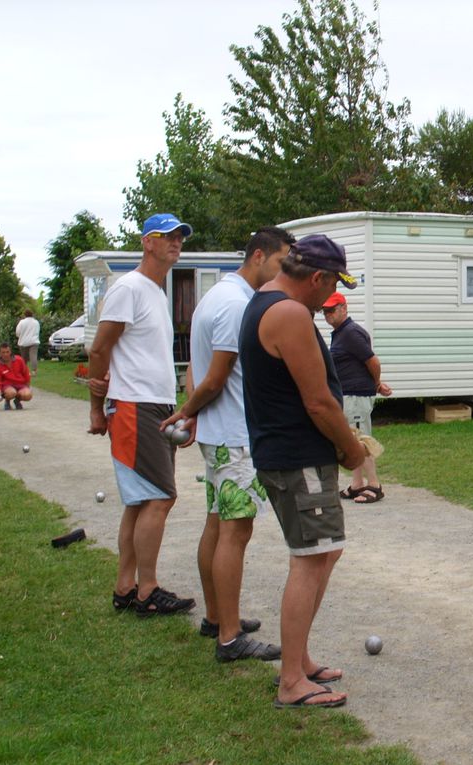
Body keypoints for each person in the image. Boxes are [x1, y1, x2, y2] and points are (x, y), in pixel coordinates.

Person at [240, 233, 366, 709]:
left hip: (286, 453)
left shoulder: (263, 301)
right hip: (297, 457)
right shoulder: (290, 313)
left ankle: (301, 659)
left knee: (323, 553)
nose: (330, 294)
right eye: (331, 283)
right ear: (317, 277)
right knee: (311, 558)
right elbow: (318, 402)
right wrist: (351, 450)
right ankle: (292, 681)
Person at [162, 227, 294, 662]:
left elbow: (196, 368)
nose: (283, 272)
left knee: (218, 525)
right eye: (280, 263)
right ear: (258, 256)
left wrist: (195, 411)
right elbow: (215, 379)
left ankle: (217, 617)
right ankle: (231, 638)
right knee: (236, 531)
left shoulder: (216, 296)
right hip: (235, 438)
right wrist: (189, 410)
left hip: (220, 436)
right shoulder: (238, 306)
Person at [87, 213, 197, 617]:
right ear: (147, 242)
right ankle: (148, 590)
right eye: (167, 236)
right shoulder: (128, 288)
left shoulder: (156, 291)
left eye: (179, 237)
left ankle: (125, 587)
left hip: (152, 404)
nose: (176, 242)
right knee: (160, 497)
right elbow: (99, 350)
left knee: (140, 502)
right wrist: (98, 407)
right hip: (134, 404)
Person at [322, 291, 392, 504]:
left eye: (332, 310)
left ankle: (374, 485)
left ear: (344, 308)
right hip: (347, 395)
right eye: (325, 311)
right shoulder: (340, 333)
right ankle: (357, 484)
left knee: (361, 440)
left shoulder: (351, 332)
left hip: (356, 395)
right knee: (350, 439)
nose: (328, 315)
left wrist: (376, 384)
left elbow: (373, 362)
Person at [0, 342, 33, 410]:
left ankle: (17, 401)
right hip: (7, 386)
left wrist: (27, 387)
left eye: (7, 352)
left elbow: (26, 374)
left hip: (20, 384)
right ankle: (7, 402)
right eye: (3, 352)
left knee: (28, 395)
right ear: (0, 353)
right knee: (11, 392)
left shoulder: (19, 360)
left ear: (10, 351)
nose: (5, 354)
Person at [15, 309, 40, 374]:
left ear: (24, 315)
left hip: (23, 342)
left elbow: (17, 332)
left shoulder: (22, 322)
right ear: (32, 314)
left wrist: (20, 336)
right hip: (34, 341)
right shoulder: (36, 322)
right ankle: (34, 371)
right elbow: (37, 331)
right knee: (33, 356)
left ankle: (25, 371)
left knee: (24, 358)